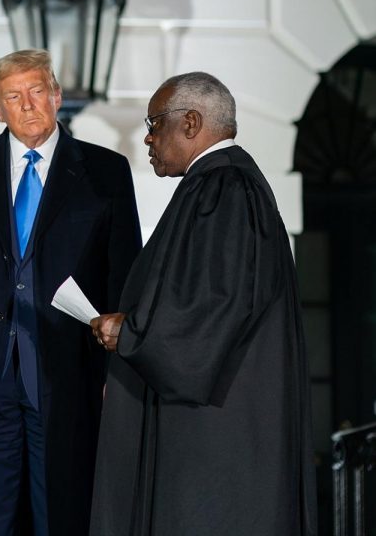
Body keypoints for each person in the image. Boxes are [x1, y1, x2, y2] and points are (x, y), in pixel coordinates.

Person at [0, 49, 142, 535]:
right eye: (13, 96)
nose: (28, 104)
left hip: (69, 374)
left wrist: (117, 372)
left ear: (56, 96)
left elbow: (125, 276)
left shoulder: (105, 171)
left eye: (37, 91)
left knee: (63, 511)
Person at [89, 72, 317, 536]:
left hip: (216, 434)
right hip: (221, 422)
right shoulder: (221, 186)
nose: (148, 138)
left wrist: (131, 334)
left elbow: (213, 308)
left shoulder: (225, 188)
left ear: (191, 122)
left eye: (155, 123)